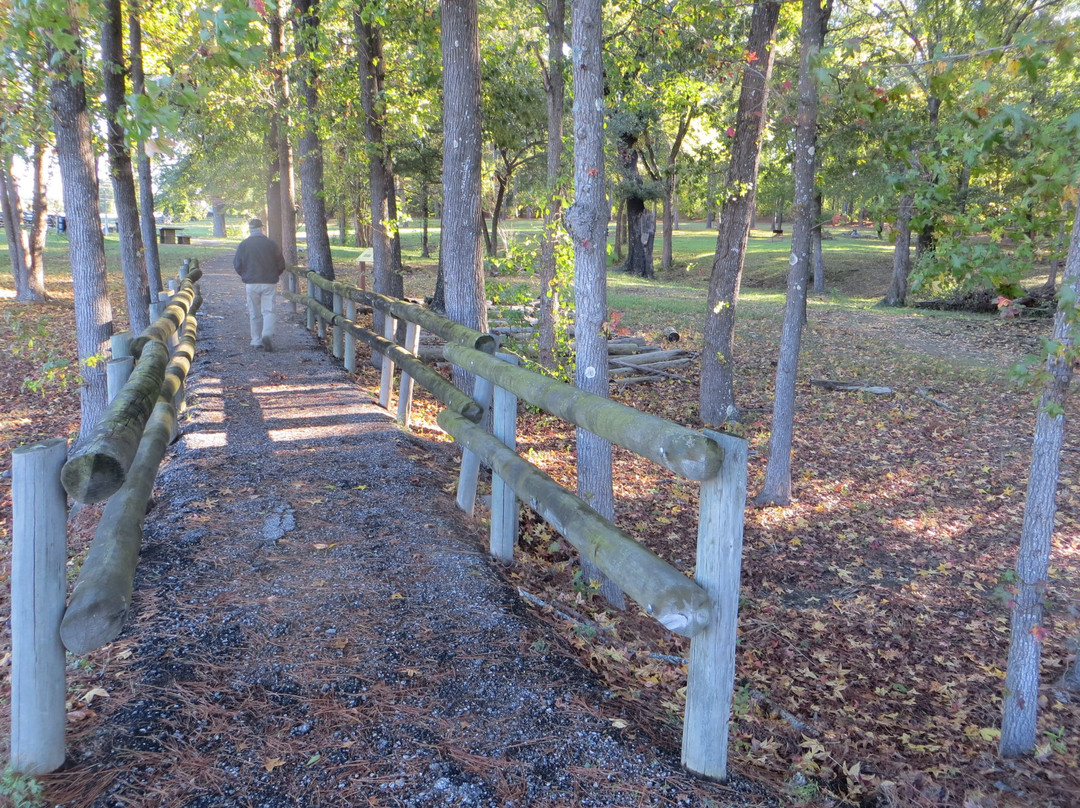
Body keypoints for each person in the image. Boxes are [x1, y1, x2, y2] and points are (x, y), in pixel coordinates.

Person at [234, 218, 287, 352]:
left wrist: (245, 275)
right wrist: (275, 274)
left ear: (250, 230)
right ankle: (267, 334)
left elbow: (237, 264)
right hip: (269, 282)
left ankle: (256, 340)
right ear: (261, 228)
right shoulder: (271, 244)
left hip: (251, 283)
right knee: (269, 311)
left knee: (254, 312)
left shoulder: (244, 245)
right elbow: (281, 263)